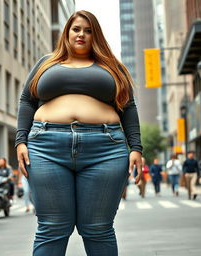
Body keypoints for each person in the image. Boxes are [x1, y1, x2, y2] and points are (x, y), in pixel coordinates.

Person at [16, 10, 143, 256]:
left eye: (88, 30)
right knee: (52, 227)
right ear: (67, 32)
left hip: (105, 148)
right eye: (76, 29)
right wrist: (20, 141)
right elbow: (26, 101)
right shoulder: (46, 62)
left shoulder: (112, 67)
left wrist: (136, 148)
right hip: (46, 146)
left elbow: (128, 107)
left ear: (95, 35)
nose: (81, 34)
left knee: (98, 228)